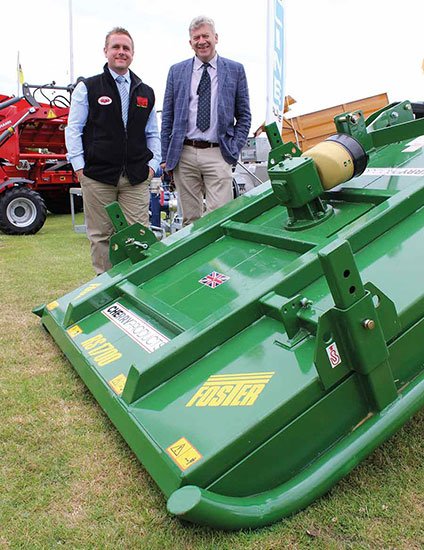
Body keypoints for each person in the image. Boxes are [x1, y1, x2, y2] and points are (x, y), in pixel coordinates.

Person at [65, 27, 161, 274]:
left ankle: (137, 286)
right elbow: (73, 129)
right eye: (116, 47)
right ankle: (104, 290)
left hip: (136, 178)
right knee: (101, 236)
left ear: (132, 54)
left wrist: (153, 166)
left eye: (126, 48)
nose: (121, 52)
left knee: (138, 235)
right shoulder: (88, 88)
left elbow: (152, 134)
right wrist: (79, 168)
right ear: (106, 51)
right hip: (97, 177)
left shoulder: (145, 92)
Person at [161, 15, 251, 226]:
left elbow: (245, 116)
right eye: (196, 37)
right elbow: (168, 117)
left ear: (216, 38)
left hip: (219, 153)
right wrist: (166, 156)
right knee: (189, 221)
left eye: (205, 36)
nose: (201, 41)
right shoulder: (176, 71)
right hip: (184, 154)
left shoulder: (235, 70)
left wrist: (233, 149)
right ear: (190, 42)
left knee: (219, 219)